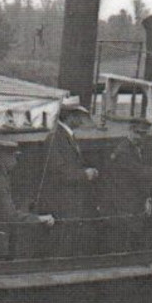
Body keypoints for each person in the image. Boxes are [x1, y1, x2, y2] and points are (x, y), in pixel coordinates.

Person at [22, 102, 99, 256]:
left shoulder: (65, 136)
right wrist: (85, 174)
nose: (80, 120)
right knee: (58, 246)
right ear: (69, 117)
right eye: (77, 116)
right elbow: (58, 173)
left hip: (68, 204)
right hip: (60, 205)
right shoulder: (56, 138)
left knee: (66, 244)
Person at [96, 117, 152, 252]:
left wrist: (147, 198)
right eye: (137, 133)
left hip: (133, 205)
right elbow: (141, 172)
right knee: (120, 243)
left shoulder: (139, 150)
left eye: (143, 134)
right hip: (121, 207)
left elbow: (141, 179)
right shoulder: (123, 152)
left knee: (133, 241)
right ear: (130, 131)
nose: (140, 137)